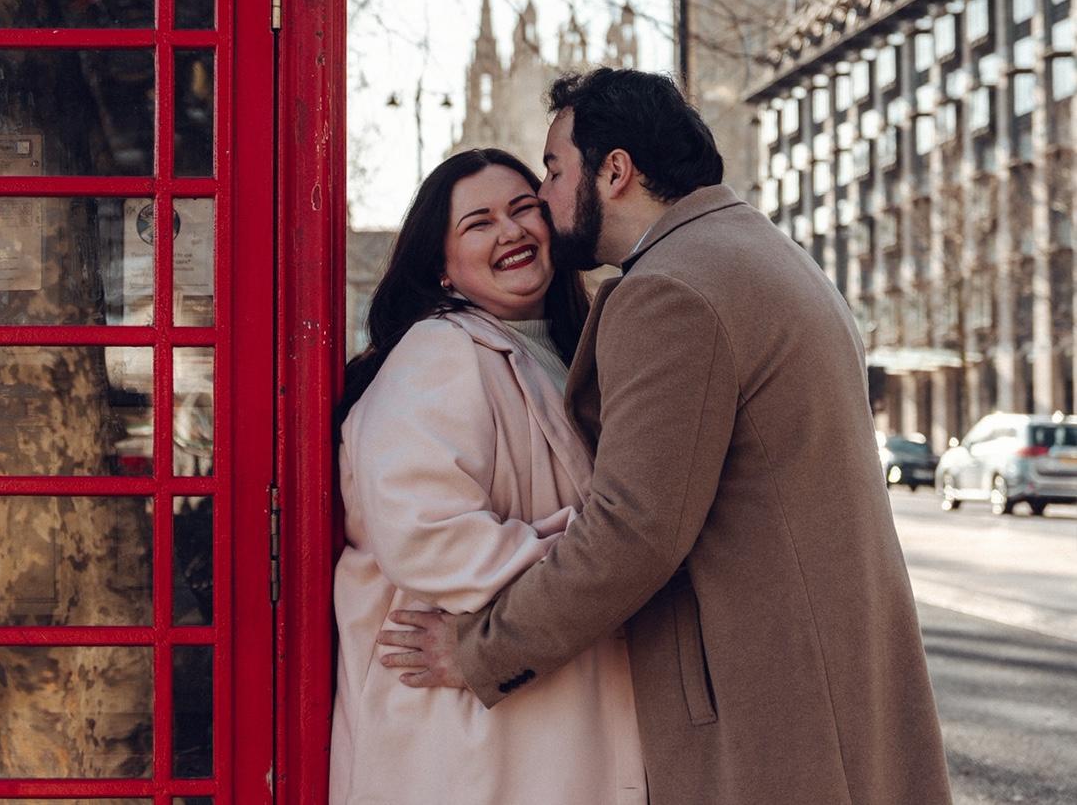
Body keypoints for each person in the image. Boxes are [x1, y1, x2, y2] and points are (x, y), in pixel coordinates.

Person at [379, 70, 953, 805]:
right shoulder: (763, 252)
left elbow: (633, 532)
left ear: (614, 171)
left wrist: (483, 652)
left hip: (766, 715)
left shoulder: (669, 292)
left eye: (554, 173)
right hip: (835, 684)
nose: (547, 204)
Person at [331, 148, 647, 804]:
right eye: (478, 223)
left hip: (537, 711)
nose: (509, 231)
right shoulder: (439, 351)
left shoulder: (568, 351)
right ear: (441, 268)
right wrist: (600, 562)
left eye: (523, 208)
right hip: (465, 735)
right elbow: (427, 538)